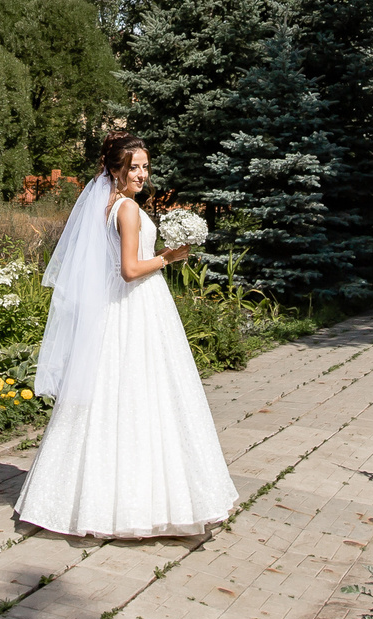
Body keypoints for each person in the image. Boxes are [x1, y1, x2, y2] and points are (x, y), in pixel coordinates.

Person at [14, 133, 236, 539]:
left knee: (113, 398)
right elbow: (130, 270)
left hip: (117, 312)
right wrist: (170, 256)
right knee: (144, 396)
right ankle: (140, 504)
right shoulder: (128, 210)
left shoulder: (105, 206)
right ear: (113, 169)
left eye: (145, 167)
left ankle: (81, 499)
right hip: (136, 307)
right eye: (133, 167)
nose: (141, 174)